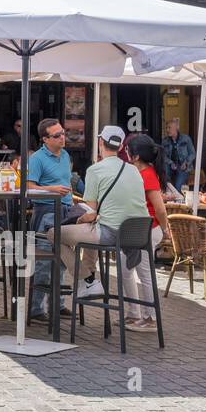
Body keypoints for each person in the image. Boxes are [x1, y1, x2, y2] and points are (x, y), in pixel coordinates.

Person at [53, 126, 149, 305]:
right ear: (121, 147)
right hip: (138, 234)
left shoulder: (95, 170)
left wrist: (79, 219)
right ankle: (89, 277)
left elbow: (90, 213)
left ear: (100, 143)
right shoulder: (134, 170)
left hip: (111, 234)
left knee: (53, 233)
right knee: (90, 231)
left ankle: (87, 280)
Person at [124, 133, 172, 333]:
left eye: (127, 150)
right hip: (139, 229)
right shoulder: (140, 173)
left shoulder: (147, 175)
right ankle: (134, 313)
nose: (125, 153)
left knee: (144, 273)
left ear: (135, 156)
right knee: (126, 270)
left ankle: (150, 318)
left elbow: (159, 208)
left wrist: (165, 229)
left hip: (148, 230)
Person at [27, 118, 75, 231]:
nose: (62, 137)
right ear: (45, 139)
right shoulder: (36, 158)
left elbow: (67, 182)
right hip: (47, 210)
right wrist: (51, 189)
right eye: (57, 135)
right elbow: (28, 187)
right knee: (46, 243)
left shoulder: (65, 155)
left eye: (63, 133)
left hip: (67, 210)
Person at [161, 119, 195, 193]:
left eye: (169, 127)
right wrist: (170, 163)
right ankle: (167, 189)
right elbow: (163, 155)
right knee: (167, 181)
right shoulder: (165, 141)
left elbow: (192, 153)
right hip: (170, 166)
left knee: (178, 186)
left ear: (176, 127)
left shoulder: (186, 139)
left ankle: (177, 197)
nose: (167, 130)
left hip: (183, 167)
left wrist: (186, 163)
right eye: (166, 128)